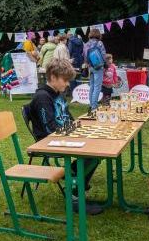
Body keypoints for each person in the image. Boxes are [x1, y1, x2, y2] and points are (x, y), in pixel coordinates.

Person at [27, 58, 102, 215]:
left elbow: (68, 118)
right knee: (92, 153)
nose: (68, 84)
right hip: (50, 141)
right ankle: (75, 193)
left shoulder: (57, 94)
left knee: (97, 149)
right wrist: (74, 132)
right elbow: (49, 128)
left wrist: (80, 128)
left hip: (63, 135)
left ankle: (74, 179)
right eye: (65, 80)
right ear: (53, 77)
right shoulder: (42, 97)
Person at [83, 28, 107, 112]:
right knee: (97, 87)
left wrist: (88, 64)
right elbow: (103, 55)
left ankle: (91, 104)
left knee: (92, 87)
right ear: (98, 35)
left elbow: (85, 56)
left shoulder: (86, 44)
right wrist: (105, 64)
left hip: (90, 67)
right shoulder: (100, 43)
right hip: (98, 67)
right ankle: (94, 106)